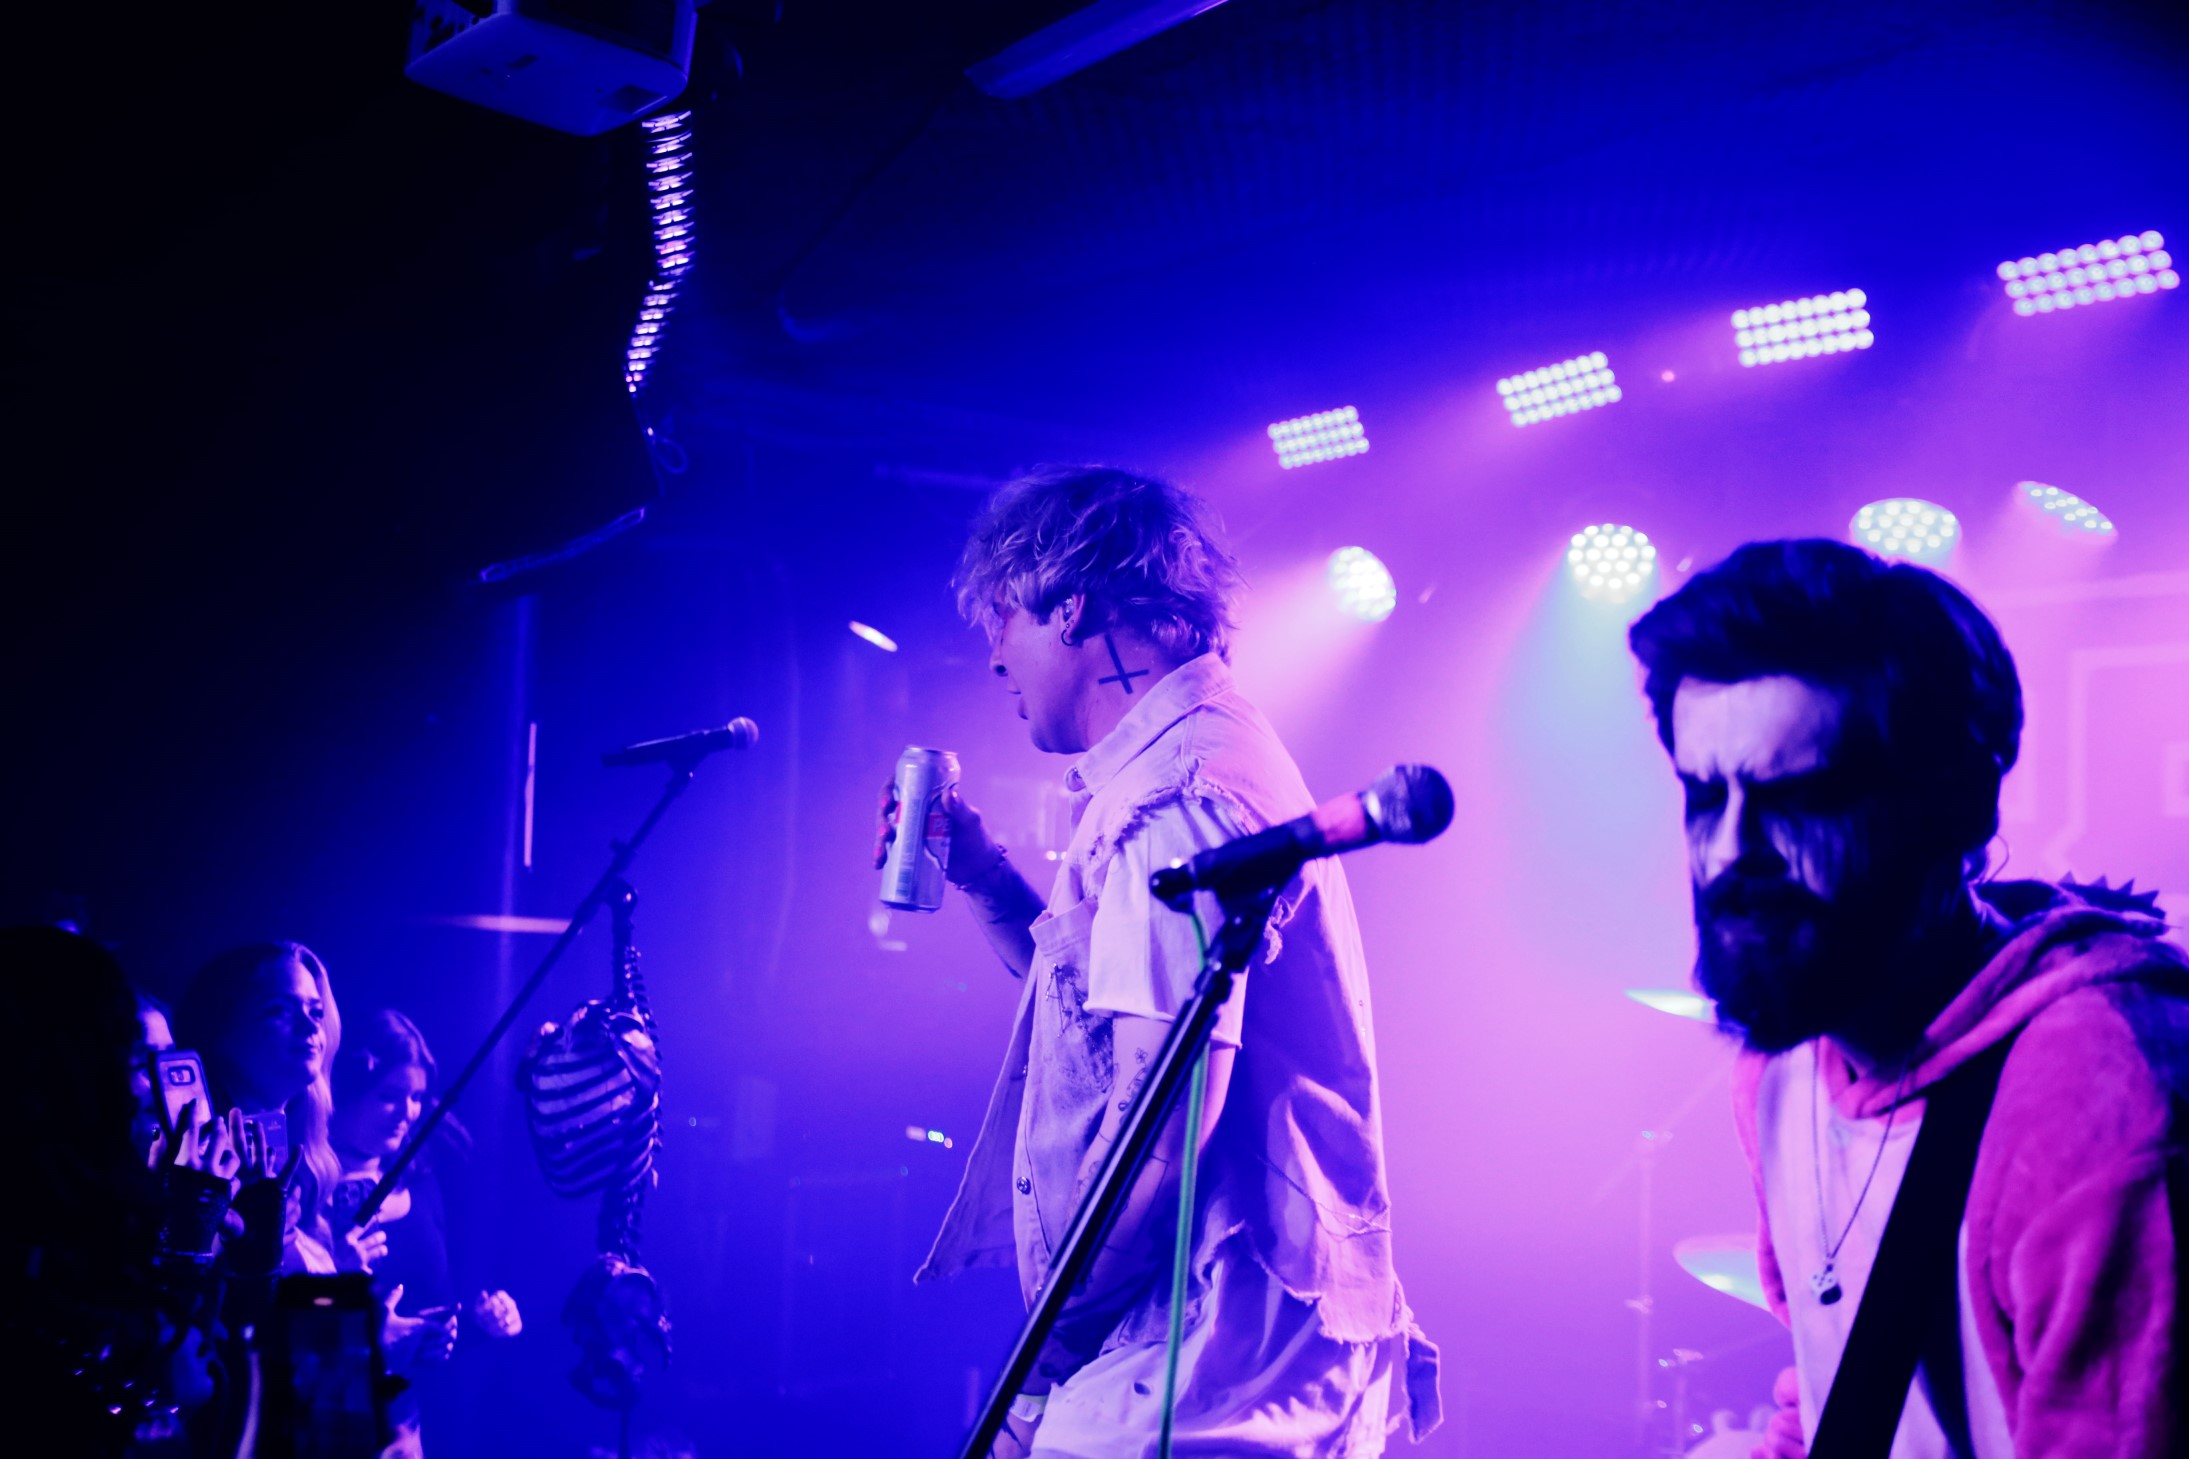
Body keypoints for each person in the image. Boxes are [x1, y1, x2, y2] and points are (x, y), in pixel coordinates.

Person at [895, 466, 1439, 1458]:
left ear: (1069, 605)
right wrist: (980, 871)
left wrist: (1046, 1362)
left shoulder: (1177, 793)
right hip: (1210, 1347)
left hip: (1204, 1365)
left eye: (1001, 618)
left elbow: (1162, 1125)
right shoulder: (1182, 764)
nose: (993, 658)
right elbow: (1112, 1026)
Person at [1626, 539, 2187, 1458]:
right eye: (1702, 795)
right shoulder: (1781, 1064)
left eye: (1797, 798)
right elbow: (1841, 1392)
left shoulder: (2086, 1096)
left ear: (1957, 808)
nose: (1729, 851)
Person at [331, 1008, 521, 1455]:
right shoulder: (304, 1185)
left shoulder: (421, 1184)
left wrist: (478, 1324)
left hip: (401, 1434)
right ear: (344, 1089)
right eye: (390, 1095)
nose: (408, 1112)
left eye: (416, 1097)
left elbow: (430, 1324)